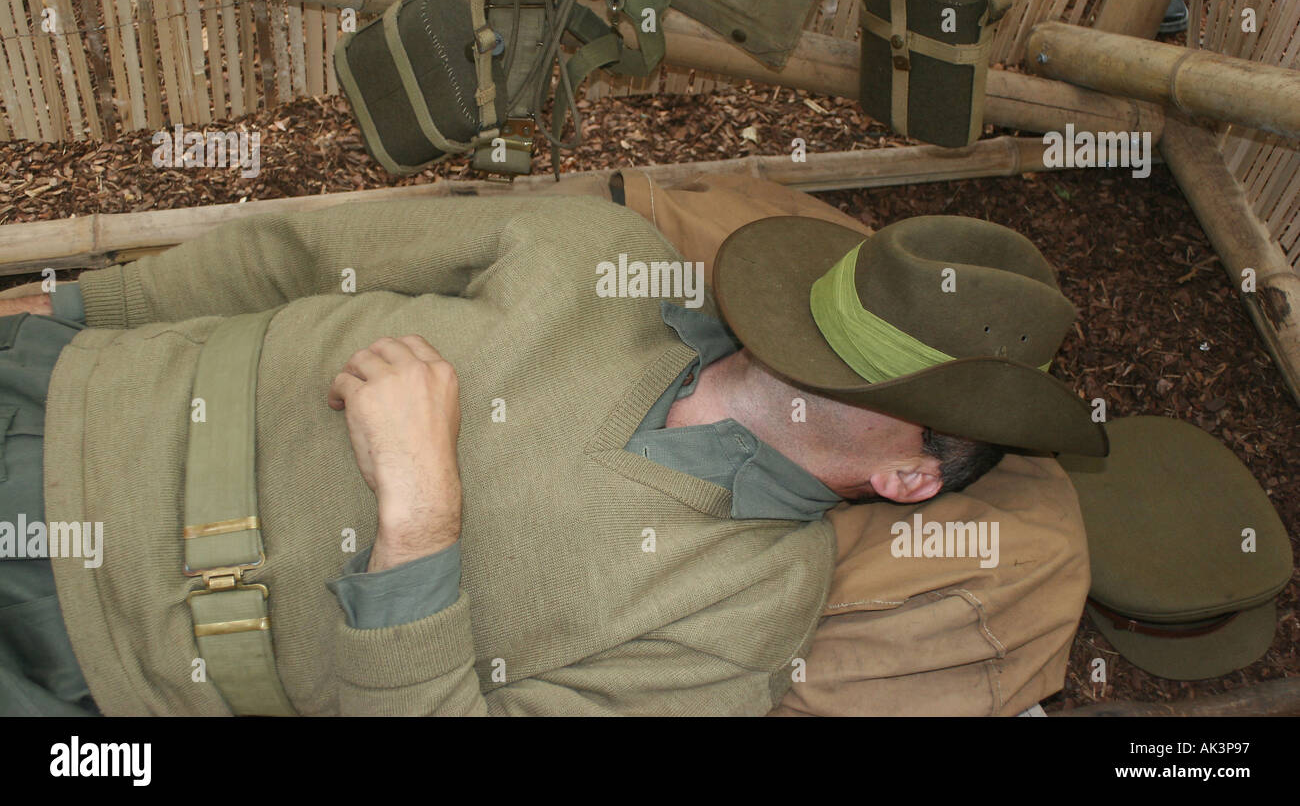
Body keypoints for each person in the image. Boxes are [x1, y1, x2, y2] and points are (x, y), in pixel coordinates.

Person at [0, 187, 1102, 715]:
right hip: (55, 387)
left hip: (82, 638)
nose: (832, 353)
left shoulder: (741, 620)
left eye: (891, 380)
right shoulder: (597, 251)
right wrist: (64, 307)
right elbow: (299, 254)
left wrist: (421, 519)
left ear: (909, 475)